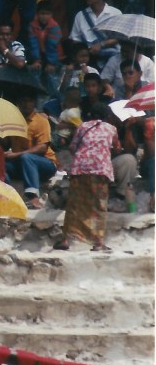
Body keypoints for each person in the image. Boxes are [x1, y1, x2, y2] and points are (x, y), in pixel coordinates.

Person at [53, 102, 120, 252]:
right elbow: (117, 147)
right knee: (99, 206)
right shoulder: (111, 129)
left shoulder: (82, 127)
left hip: (80, 169)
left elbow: (72, 147)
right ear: (107, 116)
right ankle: (97, 243)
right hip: (100, 170)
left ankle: (66, 240)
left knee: (74, 205)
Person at [5, 93, 57, 209]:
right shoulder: (13, 121)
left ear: (34, 103)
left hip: (45, 164)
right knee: (0, 163)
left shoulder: (41, 121)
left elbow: (42, 148)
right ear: (18, 103)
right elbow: (5, 145)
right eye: (23, 101)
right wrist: (2, 130)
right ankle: (5, 195)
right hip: (21, 164)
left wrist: (16, 155)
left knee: (26, 157)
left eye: (29, 101)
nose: (26, 104)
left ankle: (32, 196)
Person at [68, 0, 122, 68]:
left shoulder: (115, 13)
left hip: (112, 59)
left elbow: (120, 37)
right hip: (88, 60)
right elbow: (75, 40)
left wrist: (101, 45)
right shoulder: (80, 16)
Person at [27, 0, 63, 93]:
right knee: (35, 71)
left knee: (51, 76)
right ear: (37, 13)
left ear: (51, 15)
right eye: (42, 13)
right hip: (40, 55)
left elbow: (52, 46)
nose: (44, 16)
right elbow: (33, 43)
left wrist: (51, 63)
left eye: (47, 14)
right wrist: (36, 60)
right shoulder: (32, 26)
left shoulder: (55, 27)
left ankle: (53, 96)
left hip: (54, 57)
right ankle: (36, 93)